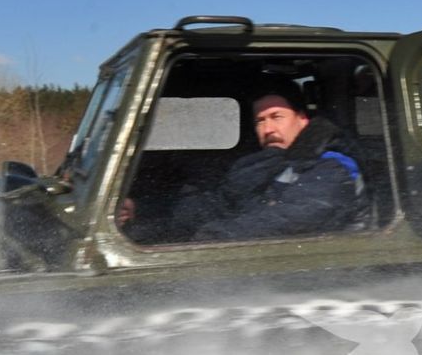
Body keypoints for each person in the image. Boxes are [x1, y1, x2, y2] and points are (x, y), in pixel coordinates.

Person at [121, 90, 371, 243]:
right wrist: (142, 211)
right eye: (260, 121)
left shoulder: (334, 165)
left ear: (302, 119)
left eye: (277, 117)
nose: (267, 129)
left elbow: (290, 219)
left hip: (323, 277)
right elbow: (218, 204)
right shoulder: (265, 164)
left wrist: (210, 238)